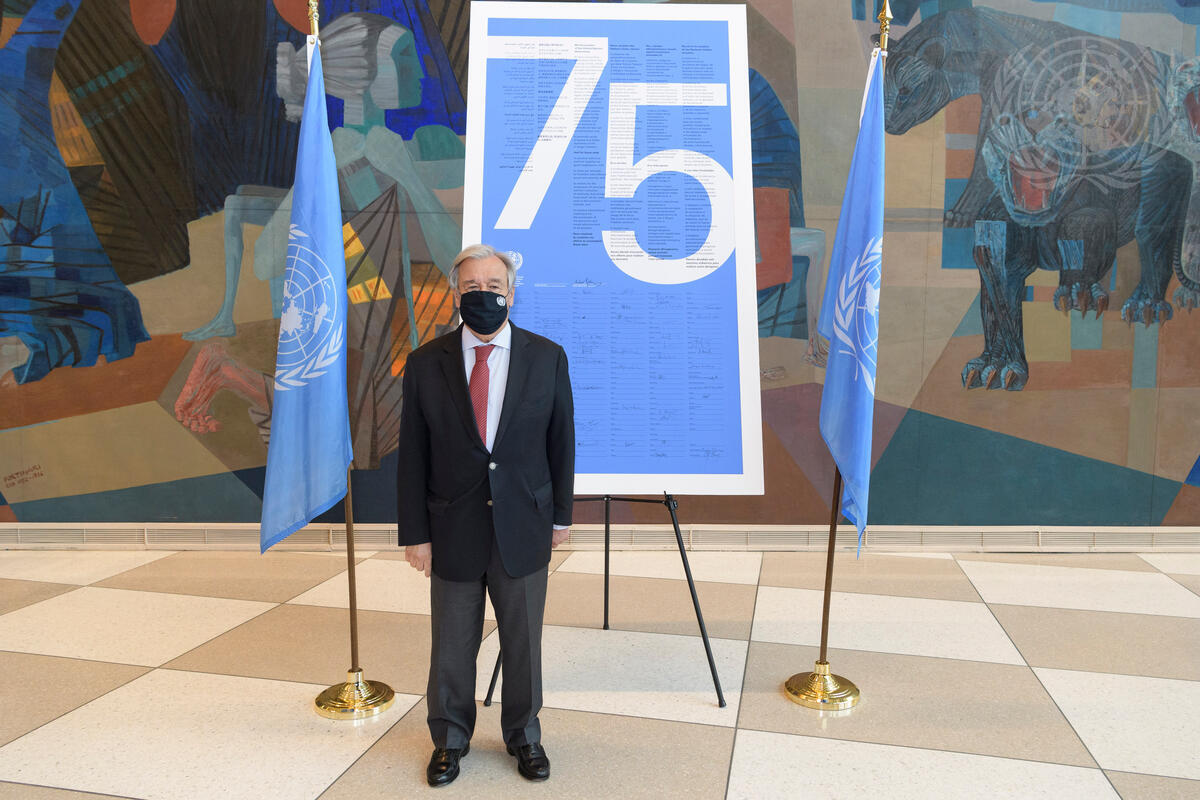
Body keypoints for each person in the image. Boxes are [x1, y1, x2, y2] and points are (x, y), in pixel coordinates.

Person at [397, 243, 574, 787]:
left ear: (511, 293)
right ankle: (449, 739)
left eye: (493, 287)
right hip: (452, 526)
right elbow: (413, 454)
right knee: (451, 642)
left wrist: (560, 516)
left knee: (523, 641)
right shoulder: (427, 363)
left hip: (523, 523)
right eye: (471, 288)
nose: (483, 296)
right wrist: (415, 534)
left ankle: (525, 736)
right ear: (456, 294)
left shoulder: (547, 357)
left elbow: (561, 442)